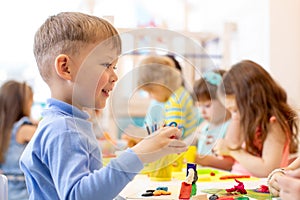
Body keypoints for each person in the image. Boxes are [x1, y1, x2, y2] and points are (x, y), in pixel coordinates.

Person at [19, 12, 187, 200]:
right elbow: (79, 196)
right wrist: (139, 154)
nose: (114, 76)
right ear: (66, 68)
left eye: (114, 67)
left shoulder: (67, 122)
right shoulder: (63, 128)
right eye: (106, 64)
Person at [213, 60, 298, 177]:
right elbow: (232, 143)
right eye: (231, 110)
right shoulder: (246, 119)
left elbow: (268, 169)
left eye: (236, 110)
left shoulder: (274, 123)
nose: (235, 115)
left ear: (253, 100)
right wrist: (236, 117)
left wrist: (233, 152)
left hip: (260, 188)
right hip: (240, 182)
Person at [137, 55, 200, 139]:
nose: (150, 97)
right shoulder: (181, 93)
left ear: (160, 83)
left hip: (183, 150)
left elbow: (172, 138)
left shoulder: (175, 103)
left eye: (150, 92)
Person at [0, 80, 37, 200]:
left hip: (6, 193)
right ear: (20, 103)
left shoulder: (3, 132)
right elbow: (49, 138)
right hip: (23, 194)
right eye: (30, 100)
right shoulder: (23, 129)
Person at [193, 70, 234, 170]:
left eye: (207, 105)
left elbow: (229, 164)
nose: (202, 111)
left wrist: (199, 159)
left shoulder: (231, 126)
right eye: (199, 106)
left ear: (225, 101)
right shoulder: (204, 126)